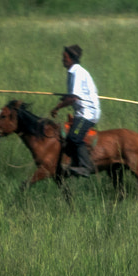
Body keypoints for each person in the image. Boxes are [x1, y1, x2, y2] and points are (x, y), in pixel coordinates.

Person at [52, 44, 100, 177]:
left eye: (65, 57)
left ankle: (85, 167)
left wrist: (57, 107)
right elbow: (72, 96)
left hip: (88, 113)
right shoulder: (72, 72)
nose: (63, 60)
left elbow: (73, 98)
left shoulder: (77, 73)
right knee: (68, 136)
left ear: (72, 58)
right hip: (81, 112)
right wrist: (65, 98)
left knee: (74, 136)